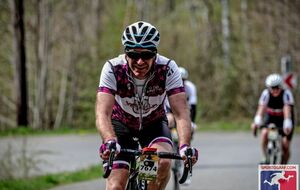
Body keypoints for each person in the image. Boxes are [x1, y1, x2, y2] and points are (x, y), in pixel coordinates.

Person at [95, 21, 198, 190]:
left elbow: (181, 113)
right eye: (134, 55)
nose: (140, 61)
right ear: (126, 53)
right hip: (121, 127)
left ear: (155, 54)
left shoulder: (167, 68)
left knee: (162, 162)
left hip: (153, 125)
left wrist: (185, 145)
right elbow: (102, 113)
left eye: (147, 55)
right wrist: (109, 140)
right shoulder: (113, 68)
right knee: (115, 186)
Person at [251, 73, 295, 164]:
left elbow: (287, 109)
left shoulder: (286, 94)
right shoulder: (265, 94)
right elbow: (261, 108)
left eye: (277, 87)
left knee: (285, 145)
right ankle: (265, 156)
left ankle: (284, 164)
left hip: (284, 118)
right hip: (271, 117)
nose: (275, 90)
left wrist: (287, 123)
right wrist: (257, 121)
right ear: (269, 88)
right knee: (264, 133)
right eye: (272, 88)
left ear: (281, 86)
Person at [166, 67, 198, 138]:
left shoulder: (190, 87)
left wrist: (192, 121)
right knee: (169, 121)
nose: (181, 82)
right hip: (169, 108)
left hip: (183, 109)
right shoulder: (168, 85)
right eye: (179, 80)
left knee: (190, 126)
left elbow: (193, 106)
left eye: (183, 80)